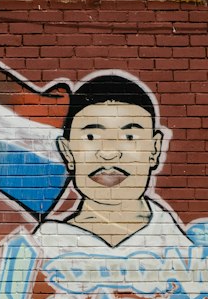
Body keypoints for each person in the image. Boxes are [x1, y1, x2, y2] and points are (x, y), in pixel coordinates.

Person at [33, 73, 189, 252]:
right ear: (68, 152)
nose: (109, 153)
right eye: (91, 137)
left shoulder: (184, 256)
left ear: (154, 149)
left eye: (129, 137)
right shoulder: (44, 248)